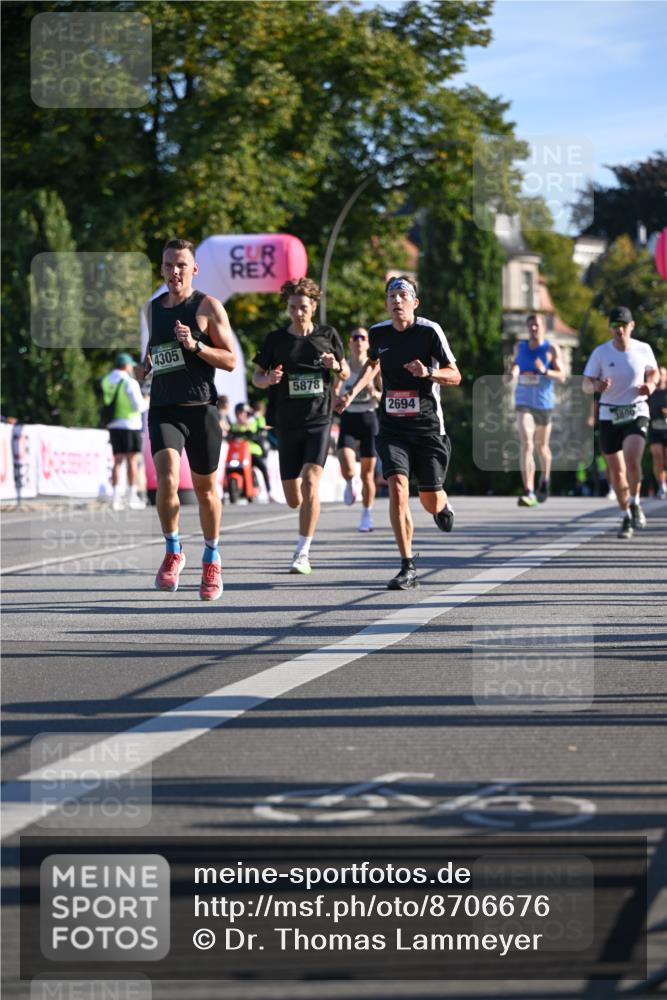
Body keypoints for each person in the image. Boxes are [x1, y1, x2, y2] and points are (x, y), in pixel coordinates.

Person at [336, 276, 460, 590]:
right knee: (398, 488)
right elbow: (372, 365)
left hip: (428, 428)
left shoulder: (430, 331)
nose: (397, 301)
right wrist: (351, 393)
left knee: (430, 499)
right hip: (392, 427)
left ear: (415, 302)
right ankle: (407, 565)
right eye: (392, 296)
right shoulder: (378, 333)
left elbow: (455, 375)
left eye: (403, 295)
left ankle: (441, 505)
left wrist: (428, 372)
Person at [142, 238, 236, 599]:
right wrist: (143, 368)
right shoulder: (152, 309)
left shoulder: (207, 306)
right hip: (164, 408)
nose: (174, 271)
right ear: (162, 269)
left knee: (206, 491)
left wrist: (195, 345)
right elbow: (154, 352)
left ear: (194, 269)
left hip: (201, 410)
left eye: (181, 265)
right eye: (168, 265)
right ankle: (173, 550)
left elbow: (230, 360)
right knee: (166, 480)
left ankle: (211, 558)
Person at [252, 277, 348, 574]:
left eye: (303, 307)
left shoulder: (327, 335)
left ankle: (302, 552)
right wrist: (269, 379)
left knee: (310, 483)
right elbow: (256, 377)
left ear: (313, 306)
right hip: (287, 422)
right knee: (294, 498)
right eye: (293, 307)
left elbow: (345, 371)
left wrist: (335, 366)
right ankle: (302, 538)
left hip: (319, 419)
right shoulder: (276, 340)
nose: (298, 313)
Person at [583, 305, 659, 539]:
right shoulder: (601, 353)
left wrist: (651, 385)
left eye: (624, 325)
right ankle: (626, 515)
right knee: (616, 473)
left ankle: (635, 502)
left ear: (632, 326)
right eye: (615, 326)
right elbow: (585, 384)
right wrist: (597, 386)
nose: (620, 330)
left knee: (632, 459)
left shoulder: (643, 349)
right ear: (610, 328)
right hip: (609, 415)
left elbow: (654, 372)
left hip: (637, 410)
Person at [505, 314, 564, 506]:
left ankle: (545, 479)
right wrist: (512, 372)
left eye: (537, 325)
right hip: (523, 402)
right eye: (530, 325)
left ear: (543, 328)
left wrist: (545, 371)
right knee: (527, 444)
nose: (533, 329)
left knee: (542, 447)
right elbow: (515, 365)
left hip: (544, 404)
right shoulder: (520, 347)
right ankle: (529, 491)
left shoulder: (551, 349)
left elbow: (562, 376)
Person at [335, 327, 382, 531]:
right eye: (355, 337)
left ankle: (366, 514)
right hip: (349, 418)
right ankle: (349, 482)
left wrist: (374, 393)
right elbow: (334, 391)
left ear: (368, 343)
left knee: (367, 474)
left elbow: (385, 395)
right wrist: (336, 399)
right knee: (347, 465)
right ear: (350, 342)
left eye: (363, 338)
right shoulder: (344, 367)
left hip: (369, 418)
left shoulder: (375, 366)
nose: (359, 341)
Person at [101, 352, 148, 511]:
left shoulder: (106, 380)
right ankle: (132, 498)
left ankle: (115, 499)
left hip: (114, 424)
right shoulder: (129, 382)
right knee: (132, 461)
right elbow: (139, 407)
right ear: (126, 365)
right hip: (130, 424)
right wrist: (147, 400)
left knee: (117, 461)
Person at [229, 402, 271, 498]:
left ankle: (269, 490)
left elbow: (260, 430)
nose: (240, 415)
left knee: (263, 468)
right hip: (237, 454)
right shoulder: (234, 425)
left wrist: (254, 434)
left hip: (252, 452)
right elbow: (229, 436)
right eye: (238, 413)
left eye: (243, 413)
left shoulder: (253, 423)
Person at [648, 365, 667, 499]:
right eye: (658, 373)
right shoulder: (650, 391)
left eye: (663, 374)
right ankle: (661, 486)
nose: (660, 376)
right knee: (657, 456)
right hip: (654, 429)